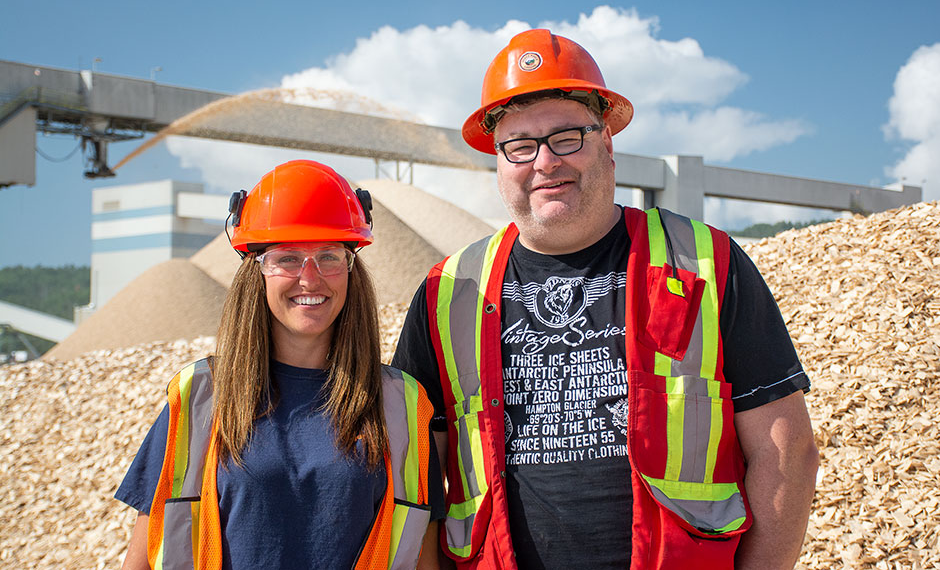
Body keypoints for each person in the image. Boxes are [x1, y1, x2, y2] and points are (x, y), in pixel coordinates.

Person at [391, 29, 819, 569]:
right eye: (520, 146)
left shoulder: (704, 264)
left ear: (608, 144)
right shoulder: (448, 292)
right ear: (498, 162)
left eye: (567, 136)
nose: (544, 162)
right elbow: (411, 478)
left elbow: (786, 453)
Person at [116, 159, 444, 570]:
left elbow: (423, 558)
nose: (310, 278)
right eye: (287, 258)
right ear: (256, 272)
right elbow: (142, 558)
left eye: (330, 256)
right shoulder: (200, 396)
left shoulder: (402, 405)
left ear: (351, 269)